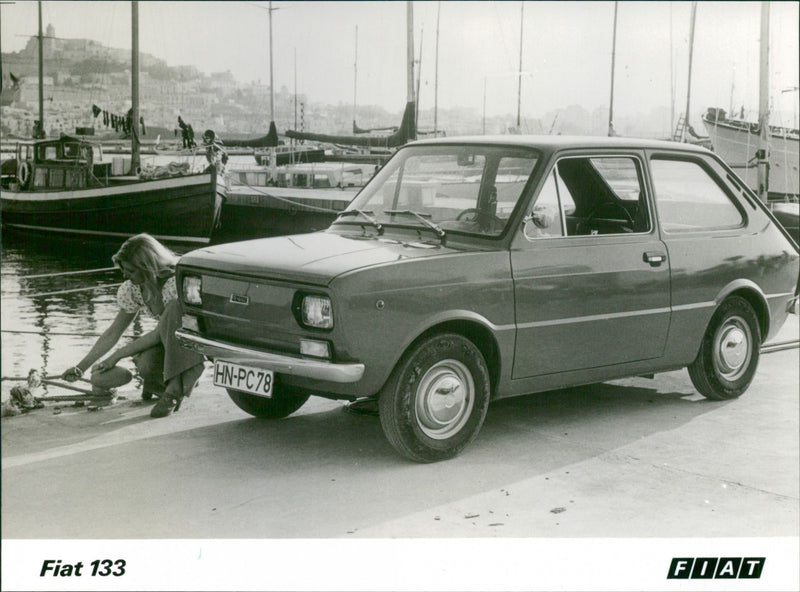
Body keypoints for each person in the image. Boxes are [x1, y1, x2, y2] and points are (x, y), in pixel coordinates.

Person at [61, 234, 206, 418]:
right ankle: (163, 383)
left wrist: (116, 356)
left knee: (173, 308)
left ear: (147, 266)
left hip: (190, 340)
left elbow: (157, 334)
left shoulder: (173, 283)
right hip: (167, 339)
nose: (124, 275)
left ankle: (176, 387)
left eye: (130, 270)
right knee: (145, 364)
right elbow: (113, 332)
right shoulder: (134, 289)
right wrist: (80, 367)